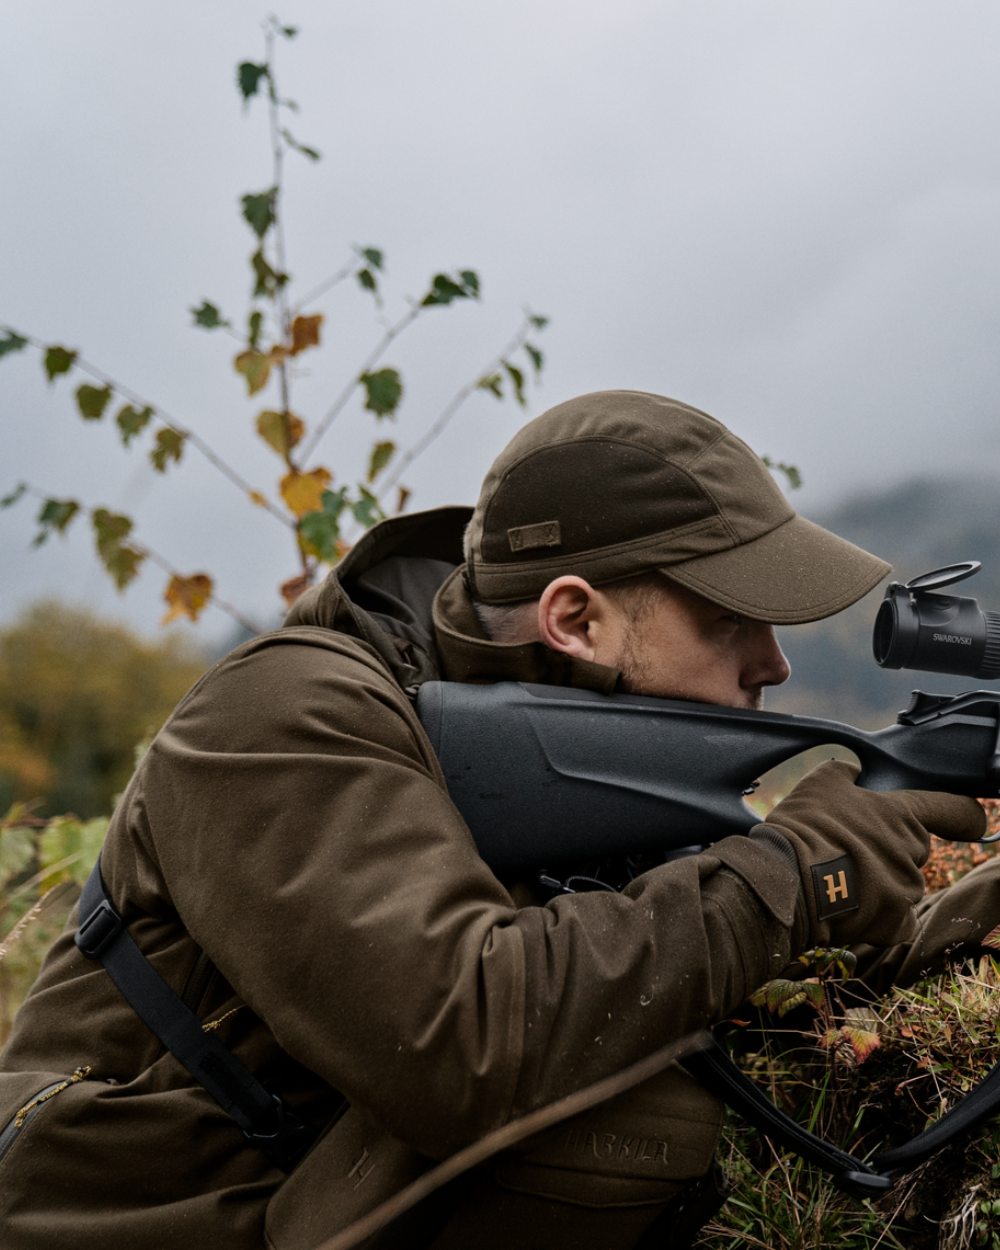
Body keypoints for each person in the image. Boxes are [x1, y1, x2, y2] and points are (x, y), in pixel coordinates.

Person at [0, 390, 995, 1250]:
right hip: (123, 1213)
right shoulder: (278, 715)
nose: (772, 662)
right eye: (729, 618)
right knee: (620, 1115)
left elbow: (701, 957)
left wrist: (930, 890)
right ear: (574, 619)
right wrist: (797, 868)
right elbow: (457, 1041)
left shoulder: (581, 744)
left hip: (303, 1189)